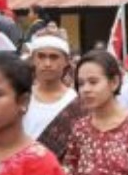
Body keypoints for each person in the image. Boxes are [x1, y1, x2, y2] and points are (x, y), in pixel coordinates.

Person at [25, 30, 86, 158]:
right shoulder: (21, 98)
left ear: (66, 61)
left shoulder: (77, 103)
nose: (47, 64)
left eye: (54, 57)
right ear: (32, 60)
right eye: (41, 56)